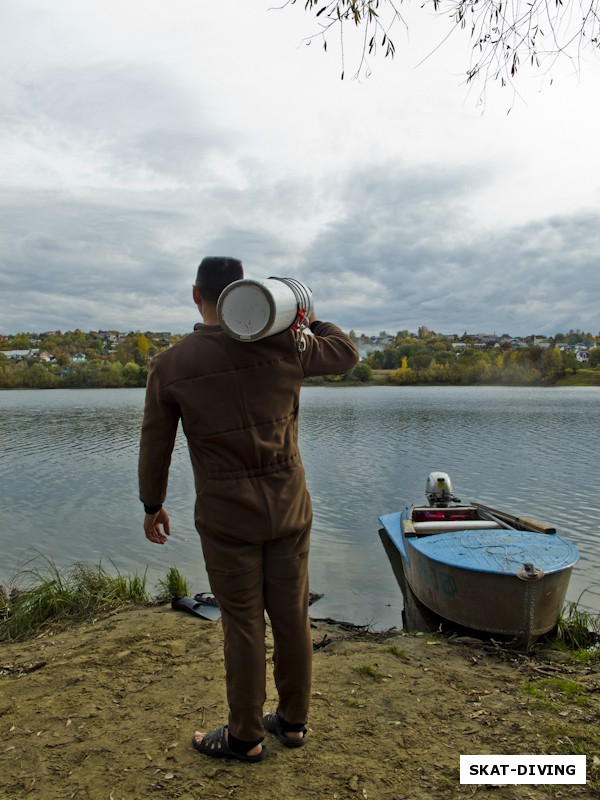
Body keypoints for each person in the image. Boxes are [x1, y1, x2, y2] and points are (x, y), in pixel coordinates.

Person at [139, 256, 359, 762]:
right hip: (289, 507)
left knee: (242, 623)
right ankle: (293, 722)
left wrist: (153, 504)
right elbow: (346, 353)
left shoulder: (171, 365)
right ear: (247, 291)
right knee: (291, 615)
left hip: (226, 515)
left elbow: (155, 445)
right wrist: (304, 311)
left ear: (197, 294)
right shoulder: (284, 344)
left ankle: (245, 737)